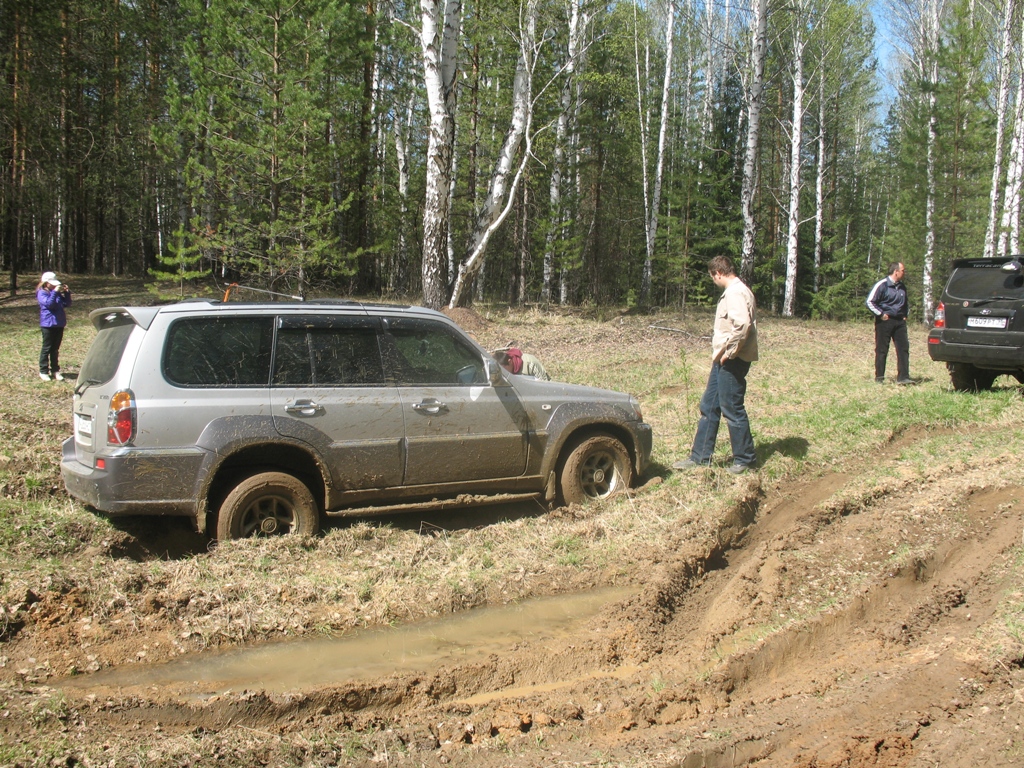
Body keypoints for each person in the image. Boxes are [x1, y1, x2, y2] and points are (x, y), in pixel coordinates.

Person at [674, 255, 758, 475]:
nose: (713, 280)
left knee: (732, 407)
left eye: (713, 277)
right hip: (723, 359)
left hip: (732, 360)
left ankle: (745, 459)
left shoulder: (736, 292)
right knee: (709, 406)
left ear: (718, 273)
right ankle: (700, 457)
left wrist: (729, 352)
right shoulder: (735, 291)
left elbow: (742, 325)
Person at [866, 262, 913, 384]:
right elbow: (870, 302)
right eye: (903, 270)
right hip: (885, 322)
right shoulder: (882, 285)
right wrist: (881, 314)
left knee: (903, 349)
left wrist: (905, 315)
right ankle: (879, 378)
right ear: (896, 272)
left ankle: (903, 377)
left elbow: (905, 302)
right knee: (882, 350)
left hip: (900, 322)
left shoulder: (902, 287)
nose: (904, 273)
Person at [37, 271, 72, 382]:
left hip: (59, 323)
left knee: (55, 349)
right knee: (47, 348)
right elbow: (49, 304)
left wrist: (67, 293)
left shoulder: (55, 293)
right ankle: (43, 371)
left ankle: (55, 370)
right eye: (52, 284)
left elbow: (66, 304)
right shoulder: (42, 293)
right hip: (48, 324)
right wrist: (55, 292)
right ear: (46, 283)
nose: (54, 286)